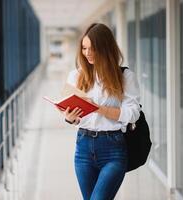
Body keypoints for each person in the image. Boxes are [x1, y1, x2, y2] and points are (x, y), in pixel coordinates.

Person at [62, 23, 141, 199]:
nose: (87, 53)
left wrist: (98, 108)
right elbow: (75, 117)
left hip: (113, 149)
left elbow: (133, 113)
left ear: (105, 47)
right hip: (83, 148)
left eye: (92, 48)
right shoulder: (76, 76)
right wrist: (69, 118)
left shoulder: (125, 77)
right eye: (84, 48)